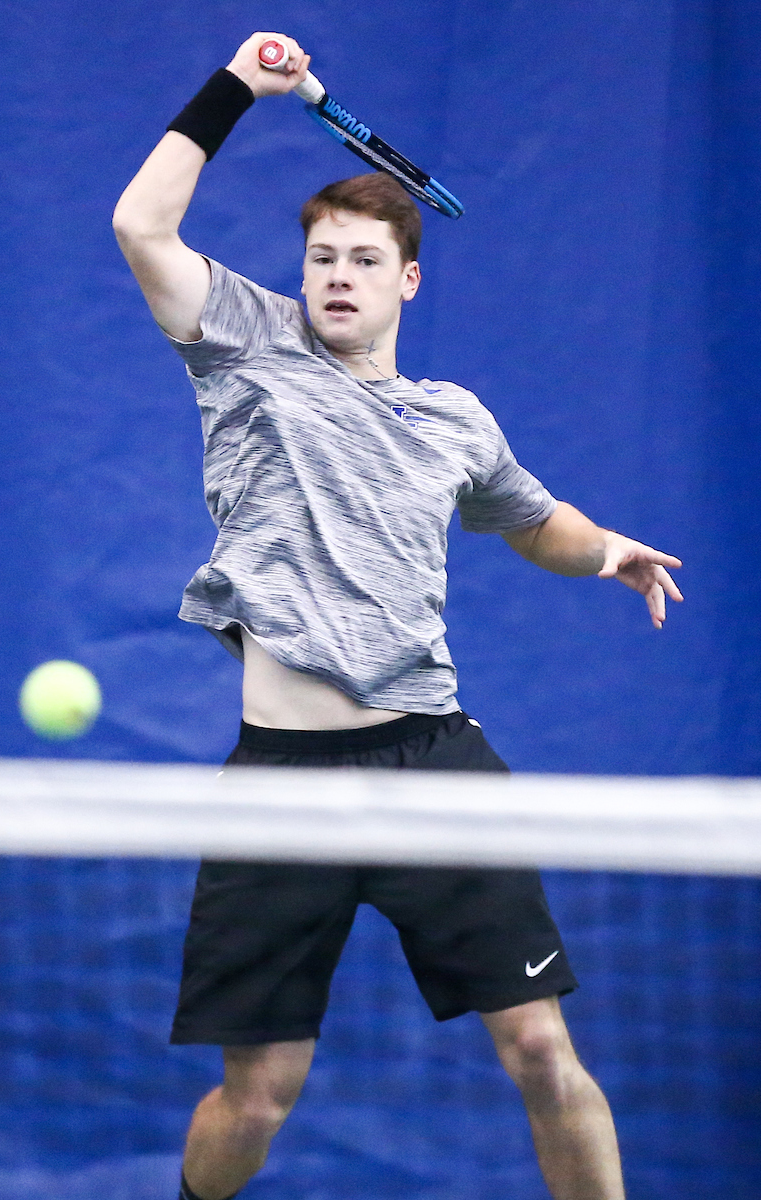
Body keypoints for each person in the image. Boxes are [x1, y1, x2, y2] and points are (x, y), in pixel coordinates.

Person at [113, 31, 683, 1200]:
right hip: (279, 783)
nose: (335, 276)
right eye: (321, 256)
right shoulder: (245, 346)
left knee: (538, 1048)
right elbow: (140, 228)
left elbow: (534, 520)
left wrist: (609, 549)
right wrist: (235, 88)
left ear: (404, 278)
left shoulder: (452, 420)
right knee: (256, 1094)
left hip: (431, 763)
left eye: (362, 260)